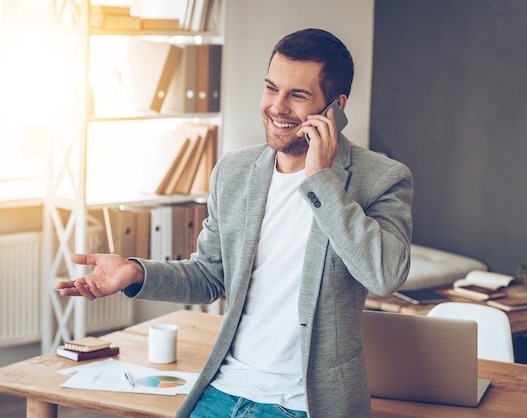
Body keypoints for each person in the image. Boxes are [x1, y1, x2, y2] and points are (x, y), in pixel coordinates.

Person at [57, 28, 413, 418]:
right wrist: (134, 272)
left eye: (297, 95)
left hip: (303, 403)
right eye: (271, 88)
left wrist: (321, 181)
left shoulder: (381, 177)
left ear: (336, 107)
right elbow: (211, 276)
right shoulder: (235, 170)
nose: (277, 107)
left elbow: (385, 275)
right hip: (223, 389)